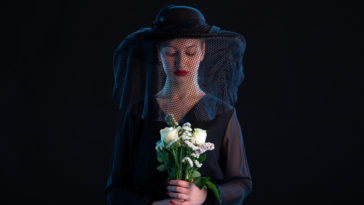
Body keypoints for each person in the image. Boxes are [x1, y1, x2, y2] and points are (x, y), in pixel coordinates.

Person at [104, 4, 252, 205]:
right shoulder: (137, 113)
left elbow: (242, 183)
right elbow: (115, 188)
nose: (181, 63)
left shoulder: (223, 114)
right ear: (159, 53)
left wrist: (205, 195)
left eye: (190, 53)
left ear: (202, 52)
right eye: (171, 52)